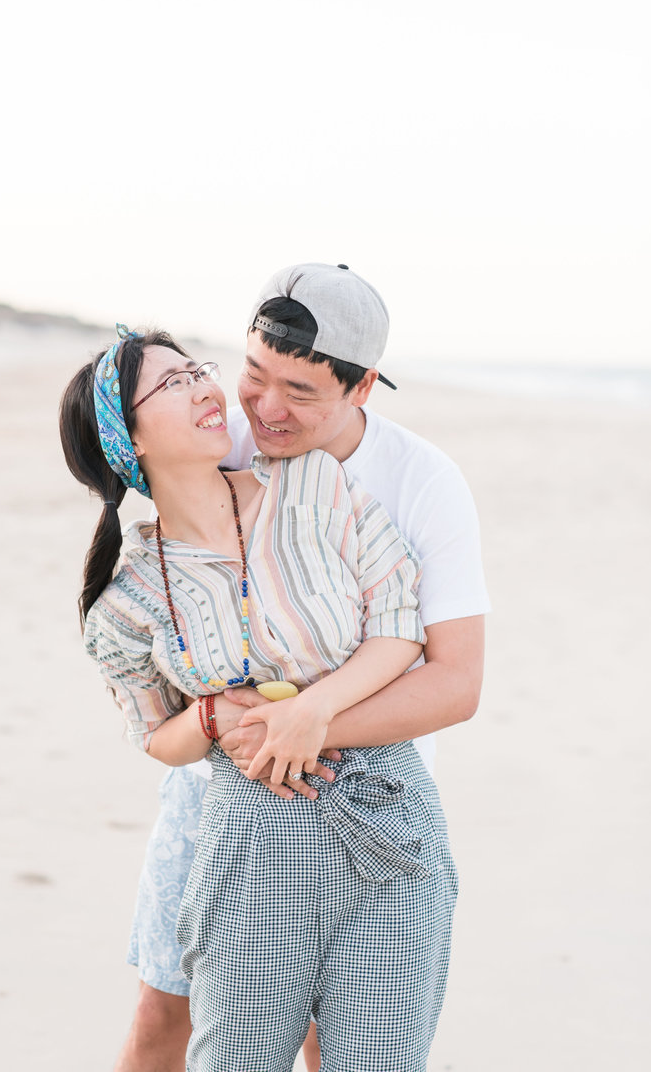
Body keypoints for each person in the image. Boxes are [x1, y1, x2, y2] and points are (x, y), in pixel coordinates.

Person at [58, 310, 473, 1070]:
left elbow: (404, 627)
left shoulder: (317, 484)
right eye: (172, 383)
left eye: (195, 370)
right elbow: (156, 733)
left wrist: (310, 714)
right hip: (244, 820)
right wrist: (212, 713)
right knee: (210, 1042)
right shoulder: (127, 605)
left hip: (383, 803)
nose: (205, 386)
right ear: (130, 438)